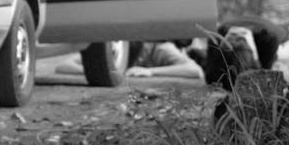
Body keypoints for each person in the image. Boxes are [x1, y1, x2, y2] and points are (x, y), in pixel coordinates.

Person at [52, 41, 205, 80]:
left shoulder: (162, 48)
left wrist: (150, 71)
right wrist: (98, 70)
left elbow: (195, 71)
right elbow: (63, 66)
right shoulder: (114, 49)